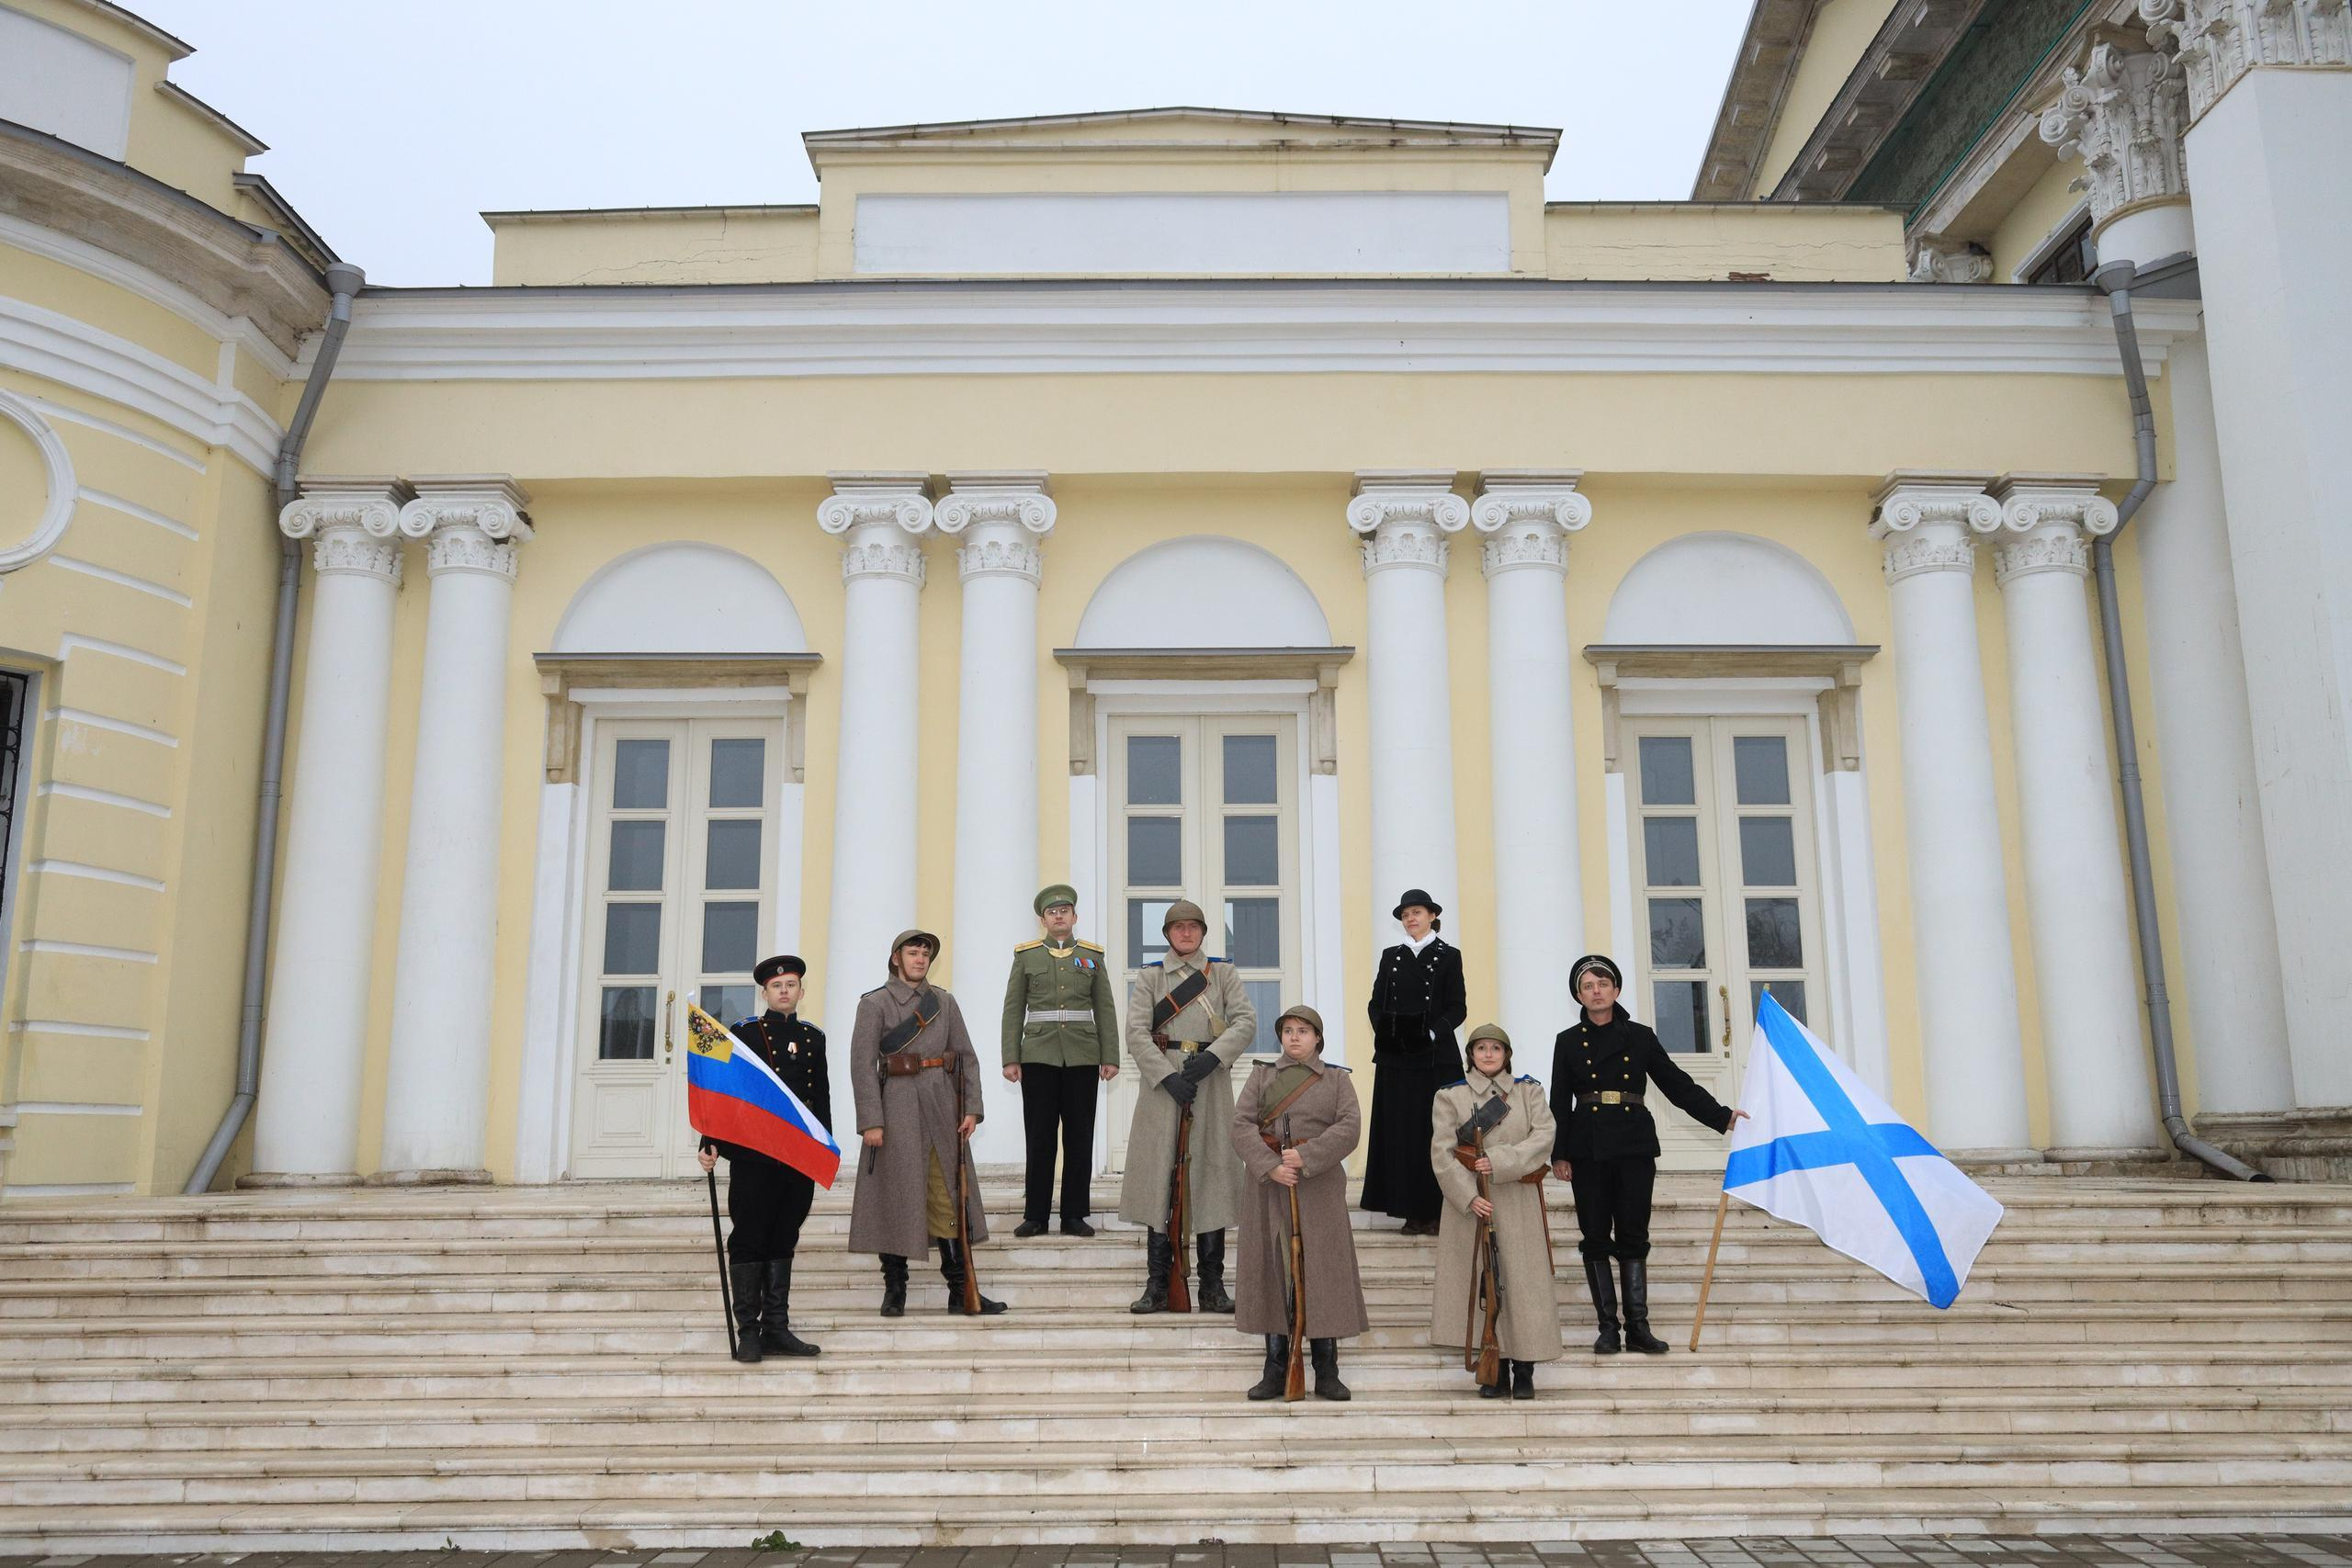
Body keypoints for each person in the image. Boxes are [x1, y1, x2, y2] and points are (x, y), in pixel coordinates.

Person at [1549, 953, 1747, 1355]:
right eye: (1587, 986)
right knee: (1595, 1235)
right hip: (1588, 1146)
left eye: (1603, 983)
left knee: (1634, 1234)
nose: (1596, 991)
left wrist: (1722, 1117)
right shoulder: (1567, 1041)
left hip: (1633, 1145)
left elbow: (1677, 1084)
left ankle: (1638, 1327)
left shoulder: (1640, 1036)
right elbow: (1558, 1101)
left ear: (1616, 989)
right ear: (1578, 995)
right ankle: (1608, 1328)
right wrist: (1560, 1154)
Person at [846, 929, 1005, 1317]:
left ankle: (959, 1289)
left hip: (939, 1104)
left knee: (947, 1193)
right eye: (912, 953)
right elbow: (862, 1065)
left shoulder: (944, 1003)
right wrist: (871, 1120)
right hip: (895, 1104)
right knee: (894, 1196)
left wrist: (972, 1108)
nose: (920, 959)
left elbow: (966, 1055)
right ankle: (895, 1289)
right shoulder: (875, 1004)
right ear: (896, 958)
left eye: (925, 954)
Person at [1116, 898, 1255, 1314]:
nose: (1186, 933)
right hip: (1163, 1089)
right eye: (1178, 927)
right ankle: (1158, 1286)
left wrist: (1214, 1058)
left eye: (1194, 927)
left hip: (1209, 1083)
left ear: (1202, 932)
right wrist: (1167, 1076)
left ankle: (1212, 1286)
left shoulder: (1223, 973)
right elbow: (1136, 1031)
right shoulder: (1151, 978)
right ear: (1167, 934)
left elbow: (1246, 1021)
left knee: (1211, 1180)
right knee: (1162, 1182)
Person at [1231, 1004, 1368, 1401]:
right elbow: (1241, 1126)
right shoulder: (1261, 1076)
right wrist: (1271, 1165)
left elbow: (1350, 1126)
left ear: (1317, 1038)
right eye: (1288, 1030)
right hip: (1267, 1185)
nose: (1294, 1037)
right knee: (1272, 1271)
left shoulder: (1338, 1080)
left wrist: (1307, 1157)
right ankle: (1275, 1368)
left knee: (1324, 1271)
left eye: (1303, 1031)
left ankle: (1327, 1368)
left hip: (1319, 1184)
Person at [697, 954, 830, 1362]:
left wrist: (824, 1145)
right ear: (765, 993)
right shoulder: (743, 1033)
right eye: (777, 986)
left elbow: (820, 1096)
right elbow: (722, 1086)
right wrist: (709, 1139)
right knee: (751, 1237)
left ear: (801, 992)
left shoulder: (813, 1037)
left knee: (784, 1236)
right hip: (755, 1154)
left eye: (791, 985)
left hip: (797, 1155)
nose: (784, 991)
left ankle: (777, 1328)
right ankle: (749, 1332)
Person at [1429, 1023, 1562, 1397]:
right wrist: (1468, 1196)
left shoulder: (1528, 1092)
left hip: (1518, 1198)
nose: (1488, 1054)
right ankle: (1495, 1367)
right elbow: (1441, 1152)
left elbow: (1543, 1136)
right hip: (1472, 1203)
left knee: (1524, 1284)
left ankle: (1525, 1369)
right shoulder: (1449, 1097)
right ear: (1470, 1054)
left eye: (1495, 1048)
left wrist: (1499, 1160)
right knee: (1483, 1282)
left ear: (1507, 1054)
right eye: (1480, 1048)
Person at [1001, 883, 1120, 1237]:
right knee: (1039, 1137)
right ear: (1043, 919)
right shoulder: (1026, 956)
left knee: (1080, 1136)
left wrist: (1110, 1055)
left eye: (1064, 911)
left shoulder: (1092, 956)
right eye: (1052, 912)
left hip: (1083, 1055)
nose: (1058, 916)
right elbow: (1012, 1009)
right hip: (1038, 1055)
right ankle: (1036, 1215)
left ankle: (1074, 1214)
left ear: (1074, 917)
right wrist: (1011, 1056)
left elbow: (1105, 1008)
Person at [1360, 889, 1467, 1235]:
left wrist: (1431, 1035)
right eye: (1406, 914)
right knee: (1401, 1132)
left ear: (1432, 915)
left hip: (1436, 1058)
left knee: (1436, 1132)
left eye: (1417, 912)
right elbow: (1376, 1004)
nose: (1410, 918)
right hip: (1397, 1059)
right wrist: (1389, 1033)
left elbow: (1457, 1007)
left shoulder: (1449, 956)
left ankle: (1438, 1211)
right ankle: (1409, 1211)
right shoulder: (1391, 956)